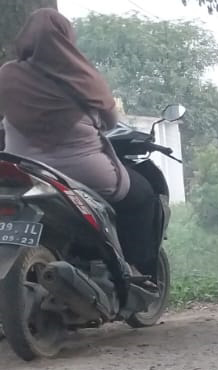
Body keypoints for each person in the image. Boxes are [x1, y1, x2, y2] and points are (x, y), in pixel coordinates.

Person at [0, 10, 161, 284]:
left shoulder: (6, 75)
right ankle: (133, 269)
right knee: (145, 194)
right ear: (67, 38)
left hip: (26, 171)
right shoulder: (82, 76)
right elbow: (110, 122)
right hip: (85, 174)